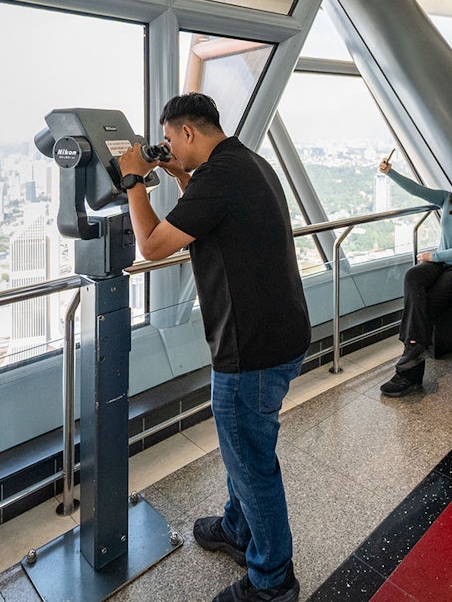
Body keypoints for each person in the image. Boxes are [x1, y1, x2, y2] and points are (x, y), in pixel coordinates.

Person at [118, 93, 309, 602]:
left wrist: (135, 179)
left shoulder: (221, 178)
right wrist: (182, 178)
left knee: (251, 461)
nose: (168, 150)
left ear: (186, 133)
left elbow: (153, 244)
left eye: (170, 141)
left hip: (253, 350)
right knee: (244, 448)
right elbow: (221, 218)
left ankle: (273, 582)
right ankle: (237, 529)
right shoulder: (247, 163)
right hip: (281, 332)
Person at [378, 157, 452, 397]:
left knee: (426, 308)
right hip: (440, 264)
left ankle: (408, 373)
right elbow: (417, 190)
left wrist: (435, 255)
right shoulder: (448, 199)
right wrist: (391, 173)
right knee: (413, 276)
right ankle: (412, 352)